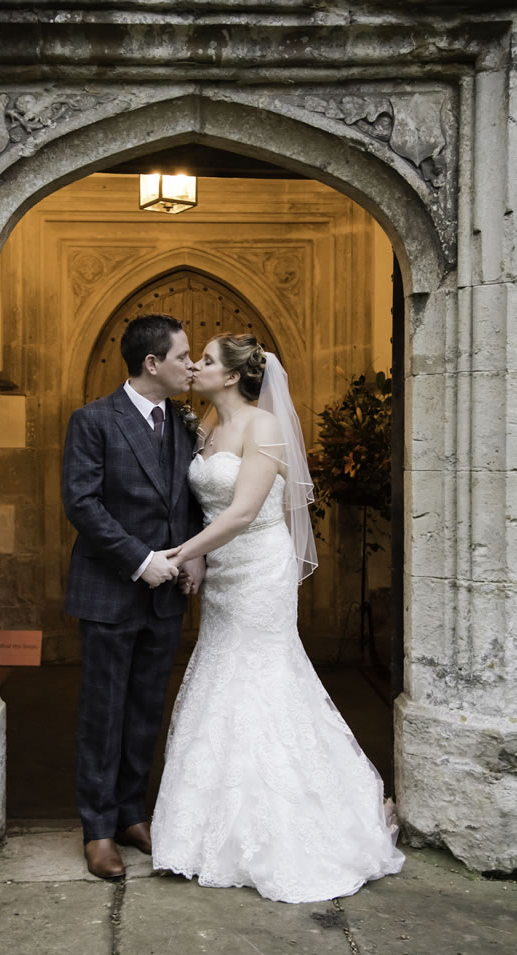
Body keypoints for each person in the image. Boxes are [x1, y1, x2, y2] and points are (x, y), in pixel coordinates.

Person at [151, 333, 405, 903]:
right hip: (223, 574)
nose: (197, 366)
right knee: (222, 676)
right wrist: (203, 563)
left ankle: (299, 822)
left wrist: (180, 554)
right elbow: (204, 502)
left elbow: (242, 512)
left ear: (236, 375)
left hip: (261, 569)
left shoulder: (263, 428)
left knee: (265, 677)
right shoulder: (207, 429)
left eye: (208, 360)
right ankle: (210, 826)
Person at [62, 314, 204, 880]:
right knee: (104, 712)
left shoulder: (183, 423)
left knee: (146, 710)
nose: (191, 365)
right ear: (152, 363)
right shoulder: (93, 420)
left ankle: (130, 814)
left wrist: (192, 551)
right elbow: (82, 503)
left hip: (166, 596)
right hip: (111, 590)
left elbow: (187, 498)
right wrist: (141, 561)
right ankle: (96, 828)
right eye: (183, 356)